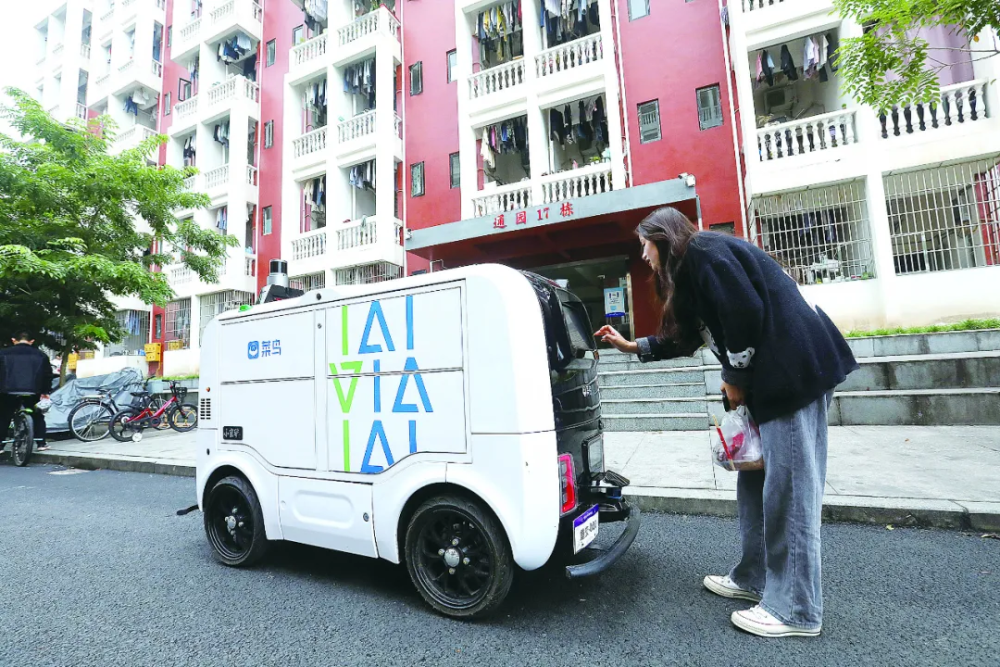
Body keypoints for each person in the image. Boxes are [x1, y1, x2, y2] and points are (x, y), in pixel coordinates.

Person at [595, 207, 857, 638]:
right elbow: (686, 337)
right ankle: (755, 578)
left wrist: (734, 376)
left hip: (793, 375)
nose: (642, 254)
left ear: (663, 237)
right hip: (771, 380)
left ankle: (796, 609)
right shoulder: (695, 269)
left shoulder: (704, 251)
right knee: (755, 483)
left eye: (644, 243)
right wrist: (632, 346)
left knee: (788, 490)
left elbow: (744, 312)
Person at [0, 333, 55, 453]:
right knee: (37, 415)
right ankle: (41, 443)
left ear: (14, 340)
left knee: (4, 417)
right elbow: (47, 375)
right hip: (33, 391)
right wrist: (45, 392)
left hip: (7, 391)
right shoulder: (41, 355)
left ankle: (1, 445)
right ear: (32, 341)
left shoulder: (3, 353)